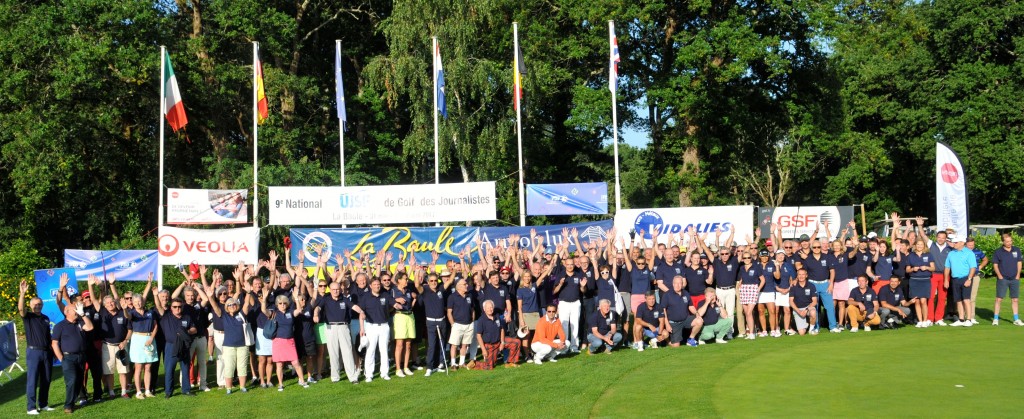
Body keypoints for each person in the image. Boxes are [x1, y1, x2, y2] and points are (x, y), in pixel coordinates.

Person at [85, 274, 132, 399]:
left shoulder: (122, 312)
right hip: (107, 346)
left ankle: (123, 391)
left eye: (112, 302)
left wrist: (126, 341)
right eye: (108, 303)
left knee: (123, 371)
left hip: (121, 345)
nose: (111, 304)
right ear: (104, 305)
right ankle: (111, 392)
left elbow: (130, 329)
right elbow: (94, 300)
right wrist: (90, 285)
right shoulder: (102, 311)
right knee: (109, 371)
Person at [259, 290, 309, 390]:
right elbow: (264, 310)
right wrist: (264, 299)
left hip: (290, 341)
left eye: (284, 303)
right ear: (277, 304)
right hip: (278, 342)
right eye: (280, 303)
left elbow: (299, 310)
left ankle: (302, 381)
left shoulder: (290, 312)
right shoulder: (274, 313)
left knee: (296, 363)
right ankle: (281, 384)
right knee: (279, 364)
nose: (282, 305)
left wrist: (296, 298)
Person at [354, 278, 401, 382]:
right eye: (374, 284)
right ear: (370, 286)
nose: (377, 286)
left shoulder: (385, 295)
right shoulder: (365, 297)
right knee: (370, 350)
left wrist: (399, 305)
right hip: (371, 326)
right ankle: (369, 374)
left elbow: (394, 304)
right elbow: (361, 314)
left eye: (378, 284)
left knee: (384, 350)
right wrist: (362, 328)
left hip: (384, 326)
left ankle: (384, 373)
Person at [51, 302, 95, 413]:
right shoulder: (60, 326)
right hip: (68, 358)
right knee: (72, 380)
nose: (77, 311)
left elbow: (90, 327)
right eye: (74, 310)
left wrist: (83, 315)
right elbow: (54, 343)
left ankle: (74, 400)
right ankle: (68, 406)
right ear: (67, 313)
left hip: (81, 356)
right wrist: (61, 358)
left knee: (79, 380)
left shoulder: (80, 322)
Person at [412, 263, 454, 377]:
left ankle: (440, 363)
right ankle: (430, 367)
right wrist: (416, 272)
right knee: (432, 345)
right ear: (428, 281)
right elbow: (416, 284)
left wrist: (454, 269)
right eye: (431, 281)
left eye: (435, 280)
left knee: (442, 343)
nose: (434, 282)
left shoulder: (441, 288)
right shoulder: (424, 290)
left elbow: (450, 281)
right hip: (430, 321)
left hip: (442, 320)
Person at [20, 279, 55, 414]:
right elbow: (21, 309)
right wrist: (22, 294)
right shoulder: (28, 317)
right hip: (33, 352)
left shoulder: (45, 318)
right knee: (32, 381)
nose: (38, 306)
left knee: (46, 379)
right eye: (35, 304)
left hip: (46, 352)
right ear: (31, 305)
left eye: (39, 304)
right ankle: (31, 407)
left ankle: (43, 404)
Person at [314, 277, 359, 383]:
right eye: (333, 289)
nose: (336, 291)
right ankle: (335, 377)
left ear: (340, 289)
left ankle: (352, 377)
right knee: (333, 352)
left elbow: (354, 307)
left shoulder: (344, 299)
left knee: (347, 352)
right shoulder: (326, 299)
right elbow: (317, 308)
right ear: (330, 289)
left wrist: (361, 311)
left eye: (337, 289)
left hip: (343, 326)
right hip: (330, 327)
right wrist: (316, 314)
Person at [158, 296, 197, 398]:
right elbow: (159, 306)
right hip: (171, 346)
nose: (177, 309)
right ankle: (168, 392)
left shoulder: (186, 317)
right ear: (171, 307)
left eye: (179, 307)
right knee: (169, 369)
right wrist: (154, 295)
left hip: (184, 345)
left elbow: (194, 329)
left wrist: (187, 332)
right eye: (174, 307)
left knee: (185, 368)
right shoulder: (167, 316)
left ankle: (186, 390)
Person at [125, 280, 158, 399]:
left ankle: (148, 390)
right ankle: (139, 391)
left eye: (139, 301)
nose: (138, 303)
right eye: (135, 302)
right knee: (138, 367)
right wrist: (124, 309)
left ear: (142, 301)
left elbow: (155, 326)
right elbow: (127, 316)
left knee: (148, 367)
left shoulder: (150, 312)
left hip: (150, 339)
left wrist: (152, 338)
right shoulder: (131, 313)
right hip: (138, 339)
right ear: (132, 303)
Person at [469, 300, 521, 370]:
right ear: (484, 309)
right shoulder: (481, 320)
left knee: (516, 342)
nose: (490, 309)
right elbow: (478, 336)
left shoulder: (497, 316)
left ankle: (510, 362)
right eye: (488, 308)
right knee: (489, 367)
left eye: (491, 307)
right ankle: (474, 363)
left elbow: (502, 329)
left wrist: (502, 342)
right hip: (490, 345)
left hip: (499, 341)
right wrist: (483, 350)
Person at [919, 218, 951, 325]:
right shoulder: (931, 245)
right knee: (931, 297)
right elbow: (923, 236)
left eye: (943, 238)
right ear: (936, 237)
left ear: (946, 239)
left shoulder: (949, 248)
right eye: (939, 237)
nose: (941, 239)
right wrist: (920, 226)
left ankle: (938, 318)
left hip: (945, 275)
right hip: (932, 274)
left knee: (942, 298)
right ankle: (929, 318)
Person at [944, 235, 978, 327]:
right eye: (954, 242)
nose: (954, 244)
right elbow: (947, 267)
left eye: (956, 242)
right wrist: (946, 280)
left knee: (966, 299)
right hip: (955, 279)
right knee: (958, 300)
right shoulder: (951, 253)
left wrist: (969, 279)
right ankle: (961, 319)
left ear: (962, 243)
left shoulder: (969, 253)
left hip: (965, 278)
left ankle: (969, 319)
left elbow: (973, 267)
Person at [662, 276, 703, 347]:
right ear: (673, 284)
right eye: (676, 283)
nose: (678, 285)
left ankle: (691, 339)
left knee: (699, 321)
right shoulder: (667, 295)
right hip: (674, 323)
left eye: (680, 283)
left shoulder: (686, 293)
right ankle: (668, 341)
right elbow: (663, 310)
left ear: (682, 284)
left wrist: (697, 313)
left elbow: (690, 306)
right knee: (676, 346)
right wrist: (667, 324)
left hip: (685, 320)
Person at [991, 233, 1023, 326]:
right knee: (999, 299)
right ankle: (996, 319)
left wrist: (1018, 275)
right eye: (1007, 241)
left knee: (1015, 299)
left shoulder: (1016, 250)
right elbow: (995, 265)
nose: (1009, 243)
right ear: (1003, 242)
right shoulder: (998, 252)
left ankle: (1016, 319)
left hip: (1014, 278)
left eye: (1010, 241)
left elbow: (1019, 263)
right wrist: (999, 275)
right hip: (1003, 278)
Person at [905, 239, 936, 328]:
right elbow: (907, 270)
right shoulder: (911, 256)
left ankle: (925, 320)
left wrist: (926, 267)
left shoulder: (928, 255)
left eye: (921, 244)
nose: (919, 246)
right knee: (917, 301)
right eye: (918, 244)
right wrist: (912, 269)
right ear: (915, 245)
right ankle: (920, 320)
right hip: (914, 280)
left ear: (924, 246)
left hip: (925, 280)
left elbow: (933, 268)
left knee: (923, 301)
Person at [447, 279, 476, 369]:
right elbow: (449, 312)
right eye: (464, 284)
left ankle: (462, 362)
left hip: (469, 324)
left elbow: (472, 309)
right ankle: (453, 364)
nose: (467, 285)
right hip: (457, 324)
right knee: (454, 345)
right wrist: (453, 324)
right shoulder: (452, 297)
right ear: (458, 286)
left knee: (465, 344)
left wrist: (472, 320)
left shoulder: (469, 296)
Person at [738, 249, 765, 340]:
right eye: (745, 258)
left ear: (751, 258)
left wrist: (758, 289)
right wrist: (739, 286)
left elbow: (763, 280)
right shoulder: (742, 268)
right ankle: (750, 332)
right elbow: (742, 279)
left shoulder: (756, 267)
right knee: (746, 313)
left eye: (748, 257)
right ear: (742, 259)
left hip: (753, 289)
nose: (747, 259)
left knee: (749, 312)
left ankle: (752, 333)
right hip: (744, 289)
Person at [789, 269, 818, 335]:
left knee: (813, 312)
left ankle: (811, 330)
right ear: (797, 276)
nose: (801, 276)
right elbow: (791, 301)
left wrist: (806, 309)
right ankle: (807, 322)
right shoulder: (793, 286)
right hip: (798, 309)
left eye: (803, 274)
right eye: (799, 274)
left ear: (806, 275)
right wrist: (799, 311)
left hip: (808, 308)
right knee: (801, 333)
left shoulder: (811, 286)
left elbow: (815, 301)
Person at [965, 237, 988, 324]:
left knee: (972, 297)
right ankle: (964, 316)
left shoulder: (978, 251)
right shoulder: (962, 252)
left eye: (972, 245)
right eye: (969, 245)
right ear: (965, 244)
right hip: (964, 276)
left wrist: (980, 267)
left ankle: (972, 316)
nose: (971, 247)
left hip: (975, 276)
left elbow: (985, 259)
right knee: (964, 297)